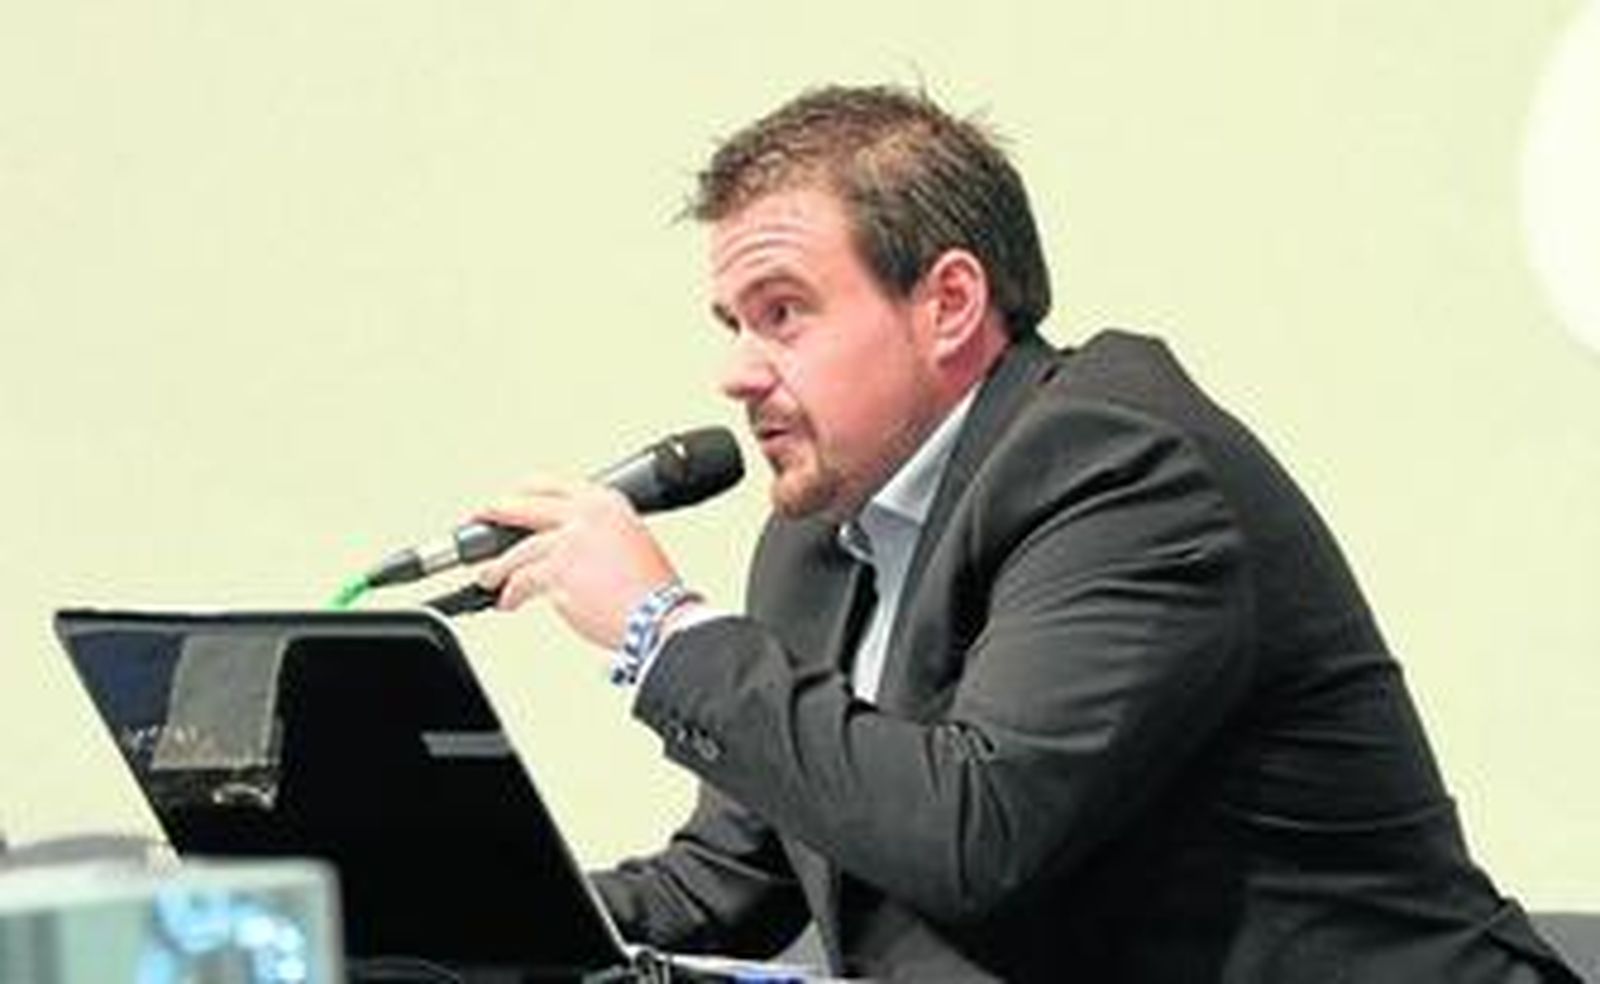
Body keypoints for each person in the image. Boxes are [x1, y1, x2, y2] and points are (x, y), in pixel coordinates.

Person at [472, 85, 1578, 982]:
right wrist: (459, 921)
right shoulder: (820, 540)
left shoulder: (1120, 469)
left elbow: (976, 832)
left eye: (783, 312)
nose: (736, 371)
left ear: (948, 303)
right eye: (732, 324)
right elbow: (732, 880)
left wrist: (662, 630)